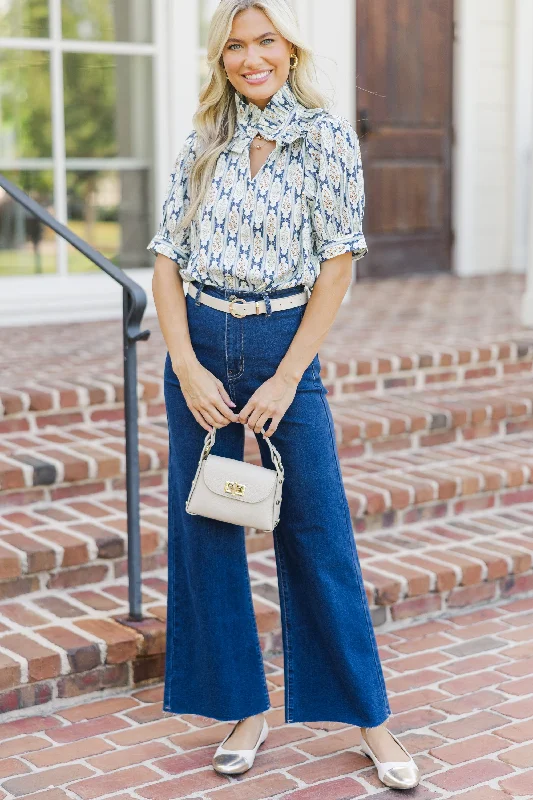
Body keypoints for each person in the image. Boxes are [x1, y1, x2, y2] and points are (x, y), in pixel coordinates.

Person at [147, 0, 419, 790]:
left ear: (290, 50)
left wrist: (286, 376)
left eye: (264, 40)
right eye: (235, 45)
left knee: (317, 532)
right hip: (199, 344)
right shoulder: (205, 137)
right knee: (206, 532)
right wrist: (186, 365)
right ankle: (242, 708)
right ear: (220, 58)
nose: (249, 57)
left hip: (280, 347)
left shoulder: (327, 138)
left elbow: (337, 265)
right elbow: (166, 257)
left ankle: (369, 719)